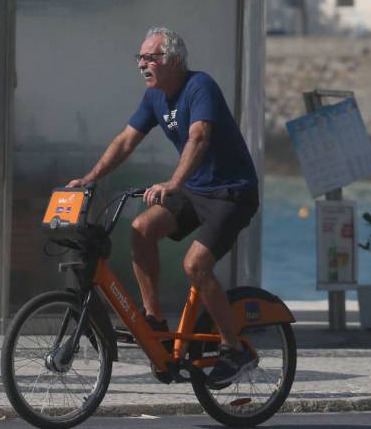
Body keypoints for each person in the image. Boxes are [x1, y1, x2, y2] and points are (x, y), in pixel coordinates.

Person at [67, 27, 260, 388]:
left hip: (231, 193)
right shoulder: (154, 96)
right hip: (195, 190)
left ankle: (234, 349)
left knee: (195, 265)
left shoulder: (200, 86)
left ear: (173, 60)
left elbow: (199, 137)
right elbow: (126, 141)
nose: (142, 64)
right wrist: (90, 178)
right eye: (139, 58)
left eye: (150, 58)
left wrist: (172, 184)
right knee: (141, 229)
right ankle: (154, 321)